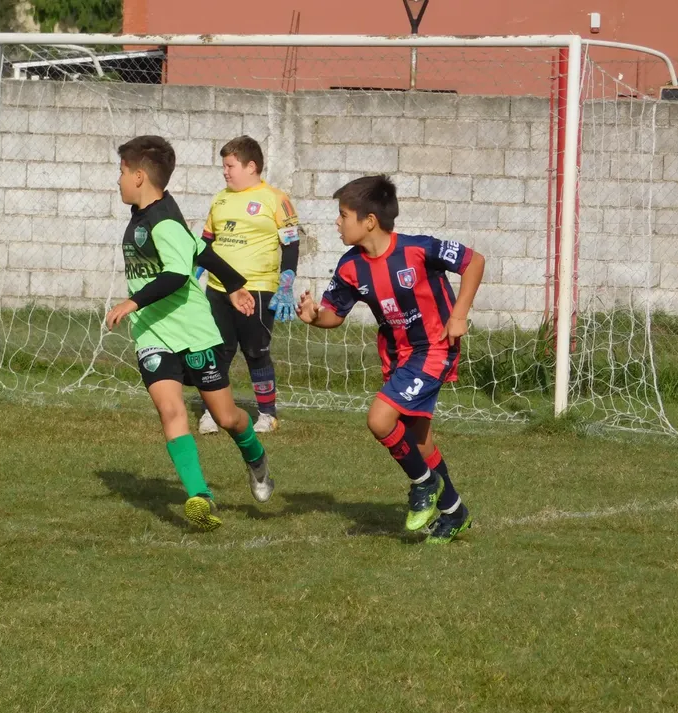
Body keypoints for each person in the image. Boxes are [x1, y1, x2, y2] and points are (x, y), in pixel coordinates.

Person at [296, 175, 485, 543]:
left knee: (380, 418)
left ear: (369, 221)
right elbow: (334, 315)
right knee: (419, 441)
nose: (337, 222)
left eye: (343, 214)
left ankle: (424, 484)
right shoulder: (351, 266)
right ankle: (453, 511)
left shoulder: (417, 250)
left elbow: (474, 262)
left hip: (434, 347)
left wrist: (458, 314)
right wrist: (315, 316)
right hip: (399, 356)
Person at [105, 135, 275, 531]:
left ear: (140, 176)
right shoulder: (153, 213)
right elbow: (200, 248)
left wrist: (132, 301)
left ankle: (257, 459)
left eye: (122, 172)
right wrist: (234, 283)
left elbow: (178, 272)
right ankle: (201, 496)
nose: (118, 180)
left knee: (227, 416)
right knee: (171, 410)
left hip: (194, 332)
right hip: (152, 334)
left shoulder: (161, 219)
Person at [197, 135, 300, 434]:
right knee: (217, 351)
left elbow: (291, 245)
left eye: (230, 165)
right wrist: (195, 274)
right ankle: (212, 411)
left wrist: (286, 283)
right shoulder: (220, 198)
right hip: (217, 289)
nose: (225, 172)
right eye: (224, 166)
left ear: (250, 166)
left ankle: (267, 413)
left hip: (256, 289)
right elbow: (206, 242)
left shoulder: (275, 199)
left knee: (256, 351)